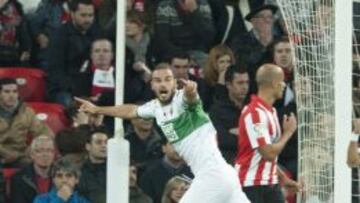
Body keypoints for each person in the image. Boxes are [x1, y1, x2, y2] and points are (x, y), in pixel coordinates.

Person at [76, 63, 250, 203]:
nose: (163, 83)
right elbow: (130, 110)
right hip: (225, 175)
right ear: (152, 85)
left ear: (174, 83)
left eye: (168, 79)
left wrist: (191, 91)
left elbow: (191, 98)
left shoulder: (183, 99)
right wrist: (97, 108)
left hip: (213, 175)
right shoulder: (155, 108)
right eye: (158, 80)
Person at [235, 63, 301, 203]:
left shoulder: (271, 111)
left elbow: (262, 157)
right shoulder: (254, 113)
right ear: (274, 83)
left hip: (270, 183)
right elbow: (268, 153)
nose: (284, 85)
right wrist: (288, 133)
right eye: (282, 81)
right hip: (250, 184)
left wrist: (283, 178)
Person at [0, 78, 53, 167]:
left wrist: (32, 148)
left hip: (20, 156)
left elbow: (44, 132)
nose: (11, 95)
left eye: (14, 91)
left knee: (41, 166)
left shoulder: (26, 111)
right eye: (7, 92)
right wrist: (6, 153)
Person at [209, 65, 249, 164]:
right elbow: (221, 139)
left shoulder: (253, 107)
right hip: (228, 160)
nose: (245, 87)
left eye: (247, 82)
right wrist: (248, 135)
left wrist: (239, 132)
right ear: (228, 85)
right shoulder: (217, 110)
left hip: (253, 158)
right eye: (240, 83)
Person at [9, 135, 56, 203]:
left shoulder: (64, 176)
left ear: (54, 154)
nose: (45, 154)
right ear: (32, 155)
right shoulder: (19, 179)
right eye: (40, 151)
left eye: (49, 150)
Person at [78, 127, 109, 203]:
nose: (104, 146)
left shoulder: (115, 170)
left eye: (106, 142)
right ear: (88, 146)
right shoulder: (79, 171)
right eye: (99, 142)